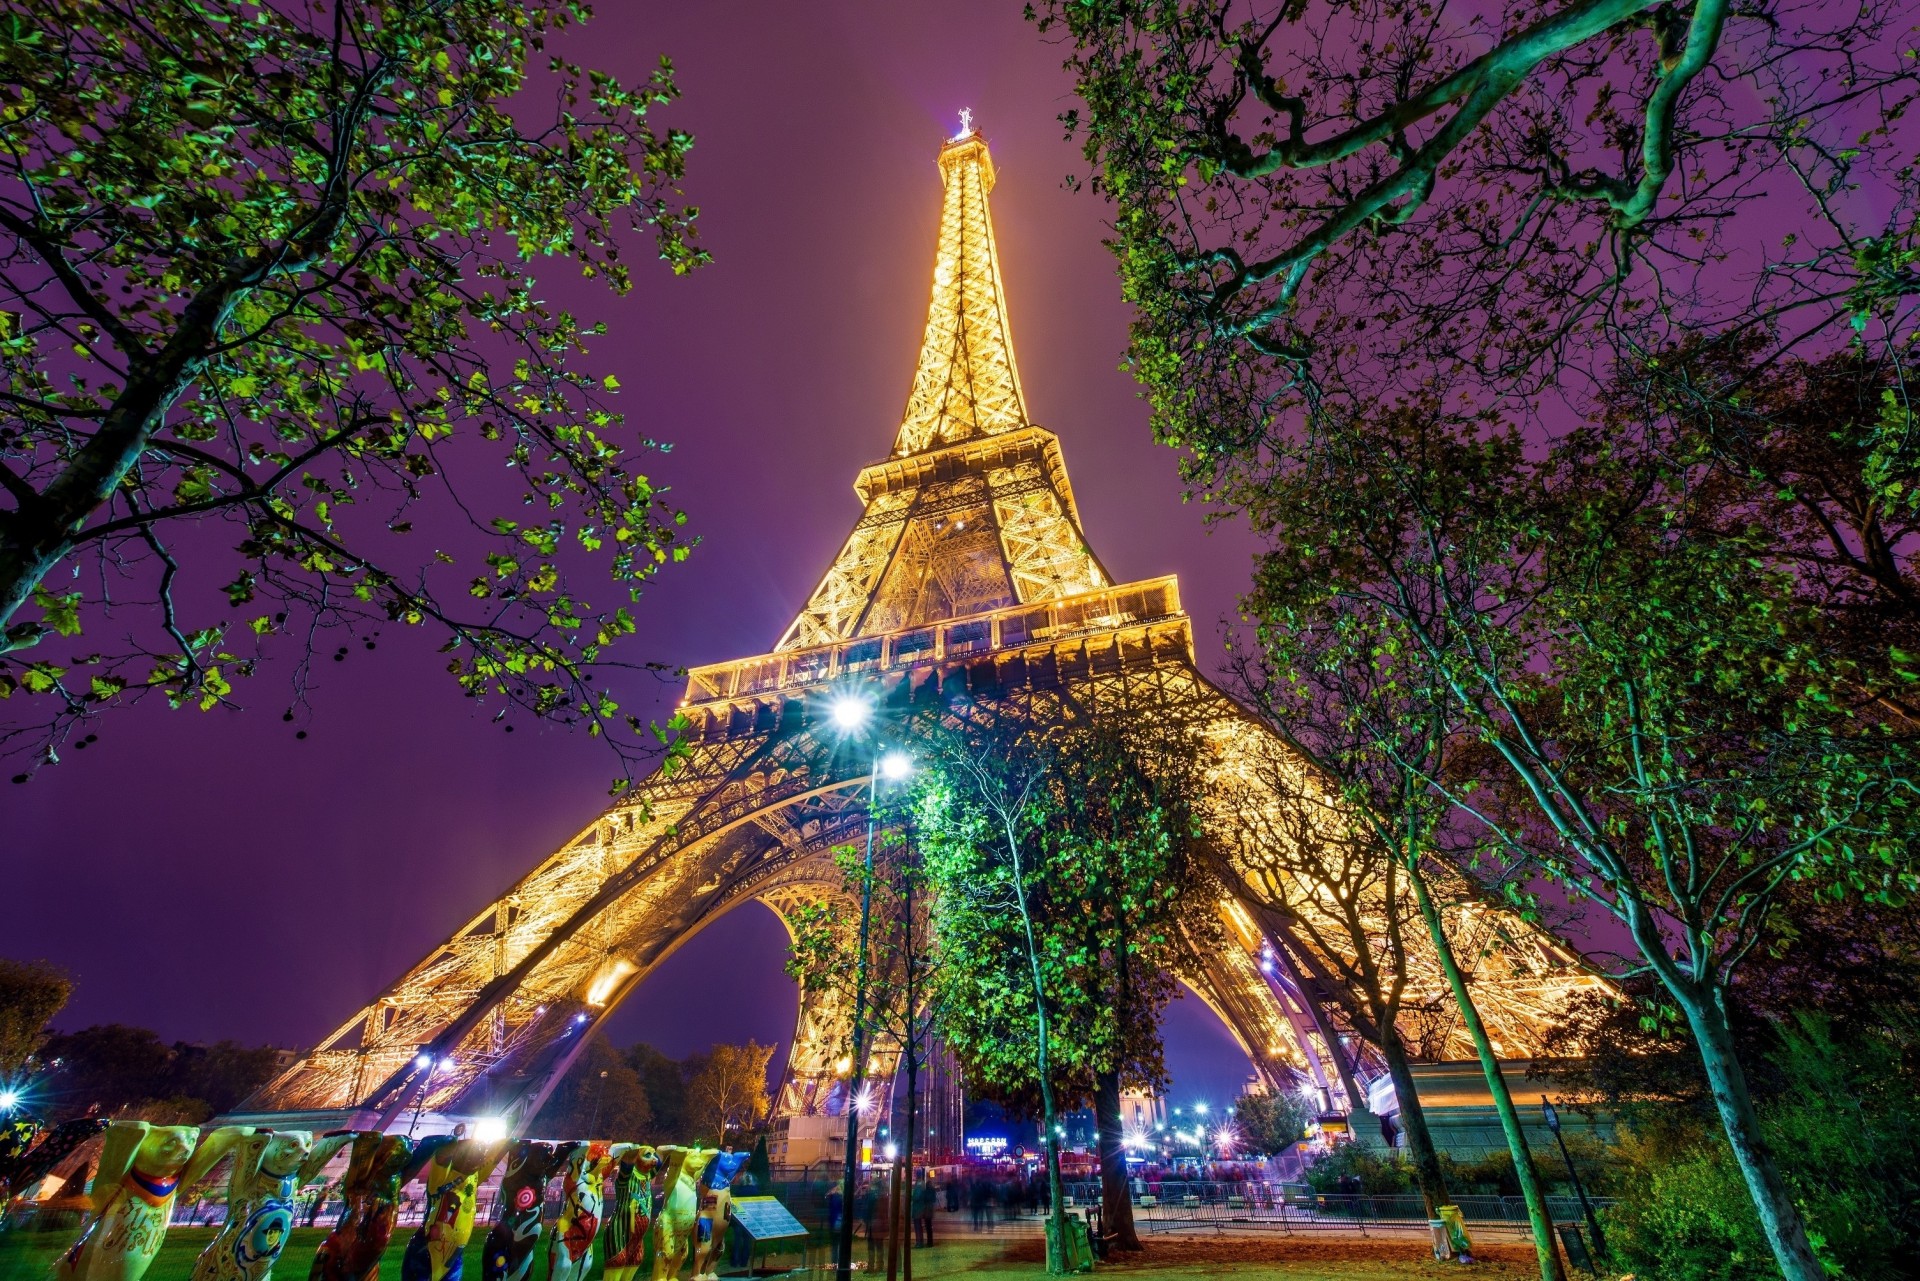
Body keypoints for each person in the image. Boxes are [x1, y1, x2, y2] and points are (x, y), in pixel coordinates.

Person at [912, 1173, 936, 1248]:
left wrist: (912, 1197)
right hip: (926, 1210)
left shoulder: (920, 1185)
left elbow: (917, 1197)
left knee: (920, 1226)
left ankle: (921, 1242)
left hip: (923, 1210)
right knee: (927, 1226)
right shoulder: (926, 1187)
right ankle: (928, 1242)